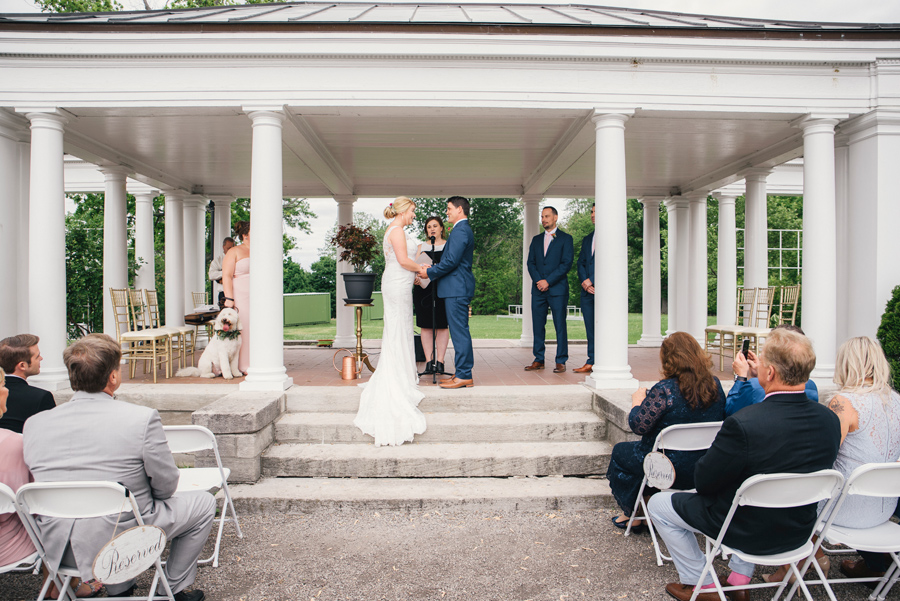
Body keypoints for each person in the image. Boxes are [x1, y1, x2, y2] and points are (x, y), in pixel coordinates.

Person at [647, 328, 841, 601]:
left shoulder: (745, 423)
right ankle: (738, 580)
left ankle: (701, 584)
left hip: (746, 531)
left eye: (760, 361)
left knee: (659, 504)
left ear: (770, 373)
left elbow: (704, 481)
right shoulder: (830, 419)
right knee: (747, 492)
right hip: (799, 532)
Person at [23, 334, 214, 601]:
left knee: (125, 508)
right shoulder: (140, 418)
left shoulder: (34, 423)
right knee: (203, 503)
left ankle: (121, 588)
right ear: (113, 377)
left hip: (57, 545)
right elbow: (167, 483)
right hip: (123, 542)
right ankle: (172, 588)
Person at [770, 336, 900, 586]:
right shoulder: (896, 400)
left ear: (846, 364)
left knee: (786, 489)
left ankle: (806, 559)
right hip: (885, 508)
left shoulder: (844, 402)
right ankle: (867, 564)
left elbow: (823, 454)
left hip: (847, 511)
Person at [607, 332, 725, 530]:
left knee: (622, 452)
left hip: (665, 468)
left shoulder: (664, 390)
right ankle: (648, 504)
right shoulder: (715, 385)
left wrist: (637, 402)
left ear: (669, 360)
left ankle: (633, 513)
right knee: (645, 453)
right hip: (703, 466)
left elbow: (638, 426)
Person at [354, 197, 427, 446]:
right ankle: (398, 376)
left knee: (403, 328)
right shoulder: (395, 231)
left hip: (401, 283)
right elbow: (403, 261)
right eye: (414, 212)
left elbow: (407, 259)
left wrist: (416, 267)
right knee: (397, 328)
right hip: (396, 284)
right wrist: (421, 269)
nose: (415, 216)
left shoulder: (399, 230)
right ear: (404, 211)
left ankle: (405, 373)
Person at [418, 196, 476, 389]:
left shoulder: (460, 231)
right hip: (455, 288)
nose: (447, 212)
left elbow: (451, 262)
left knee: (460, 333)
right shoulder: (460, 230)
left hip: (457, 288)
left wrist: (429, 272)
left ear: (460, 209)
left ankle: (464, 375)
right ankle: (460, 373)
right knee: (459, 331)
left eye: (449, 208)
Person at [727, 324, 818, 416]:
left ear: (771, 370)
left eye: (764, 359)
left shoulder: (753, 387)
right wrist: (761, 373)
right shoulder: (811, 386)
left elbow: (730, 411)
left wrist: (741, 377)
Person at [524, 206, 574, 373]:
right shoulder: (536, 240)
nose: (544, 219)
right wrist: (539, 280)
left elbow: (566, 264)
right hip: (538, 290)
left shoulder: (566, 239)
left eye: (547, 216)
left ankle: (561, 360)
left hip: (557, 289)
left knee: (560, 325)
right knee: (538, 325)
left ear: (555, 218)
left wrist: (548, 281)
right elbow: (530, 263)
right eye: (542, 216)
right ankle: (539, 359)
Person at [413, 216, 450, 375]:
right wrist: (415, 277)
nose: (432, 229)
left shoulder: (449, 246)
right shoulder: (421, 247)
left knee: (442, 325)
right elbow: (414, 267)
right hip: (423, 290)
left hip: (443, 288)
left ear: (441, 228)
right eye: (429, 227)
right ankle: (429, 362)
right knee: (426, 326)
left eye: (435, 226)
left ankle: (440, 361)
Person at [0, 334, 56, 434]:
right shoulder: (41, 397)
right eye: (37, 356)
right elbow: (51, 436)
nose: (41, 358)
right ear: (22, 365)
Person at [223, 221, 250, 375]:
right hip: (241, 296)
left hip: (259, 297)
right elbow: (226, 276)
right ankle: (243, 364)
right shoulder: (234, 251)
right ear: (244, 235)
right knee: (243, 328)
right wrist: (229, 299)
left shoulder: (261, 250)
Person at [574, 205, 596, 374]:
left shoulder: (613, 237)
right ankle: (591, 360)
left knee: (605, 327)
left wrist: (593, 281)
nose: (593, 215)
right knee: (590, 327)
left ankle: (604, 360)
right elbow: (581, 262)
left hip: (602, 291)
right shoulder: (588, 239)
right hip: (586, 291)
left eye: (596, 212)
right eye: (592, 212)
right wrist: (584, 282)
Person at [208, 236, 235, 305]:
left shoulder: (238, 258)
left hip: (237, 292)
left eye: (232, 248)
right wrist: (227, 272)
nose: (231, 250)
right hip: (223, 294)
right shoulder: (217, 261)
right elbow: (211, 275)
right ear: (223, 247)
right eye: (229, 248)